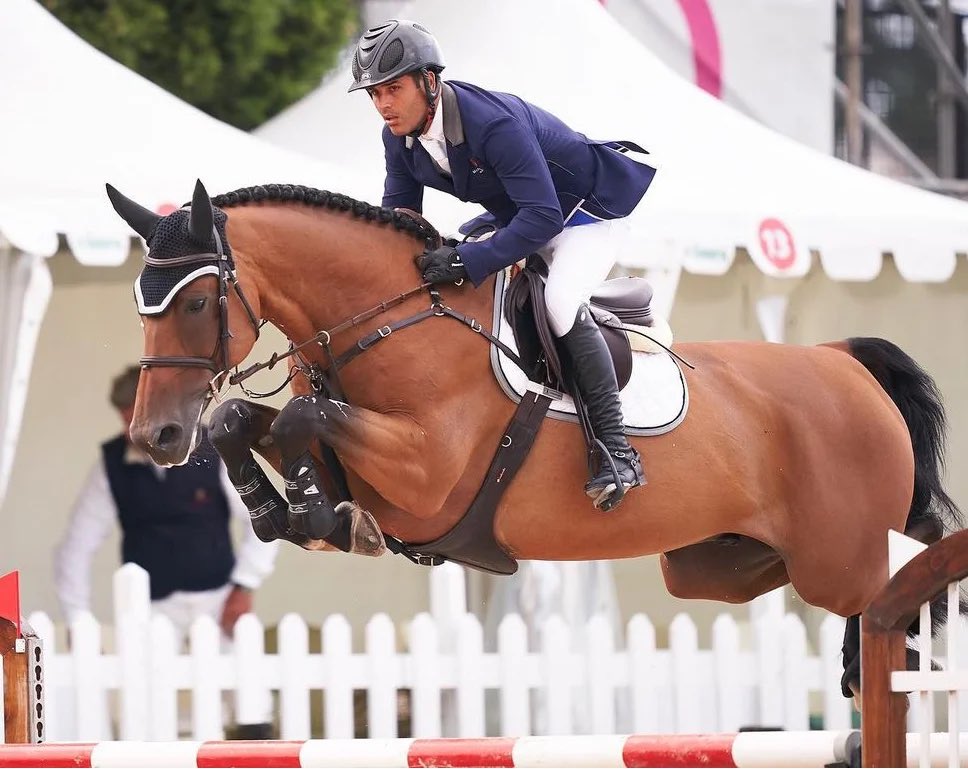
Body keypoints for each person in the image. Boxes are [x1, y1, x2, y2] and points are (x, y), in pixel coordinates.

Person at [349, 20, 657, 511]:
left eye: (394, 89)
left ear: (429, 82)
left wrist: (466, 259)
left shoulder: (490, 123)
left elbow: (544, 218)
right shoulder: (399, 137)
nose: (384, 105)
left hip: (584, 214)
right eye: (375, 94)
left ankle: (618, 452)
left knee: (558, 301)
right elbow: (399, 218)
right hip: (522, 214)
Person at [54, 365, 278, 738]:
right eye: (126, 422)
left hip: (218, 596)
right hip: (151, 605)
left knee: (247, 692)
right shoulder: (111, 467)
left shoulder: (212, 450)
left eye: (138, 419)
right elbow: (76, 547)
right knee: (146, 703)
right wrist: (77, 616)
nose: (133, 433)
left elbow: (261, 519)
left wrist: (244, 585)